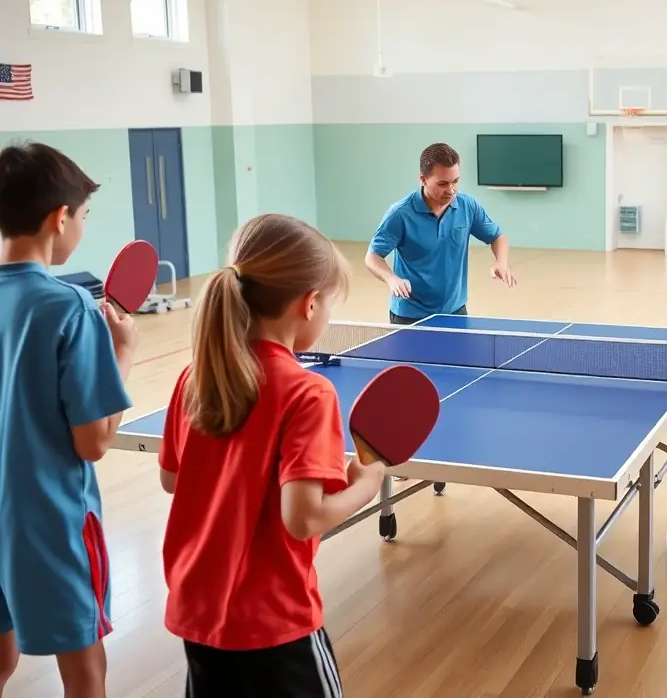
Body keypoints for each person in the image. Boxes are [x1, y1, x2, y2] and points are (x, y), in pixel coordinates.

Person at [156, 213, 388, 697]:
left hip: (197, 613)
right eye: (329, 305)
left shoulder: (194, 377)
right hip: (274, 621)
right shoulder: (308, 393)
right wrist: (365, 485)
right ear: (308, 305)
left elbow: (173, 480)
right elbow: (303, 519)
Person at [0, 142, 138, 697]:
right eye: (83, 217)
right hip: (51, 522)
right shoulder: (68, 306)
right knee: (85, 673)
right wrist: (122, 349)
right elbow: (94, 441)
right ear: (61, 218)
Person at [365, 142, 516, 325]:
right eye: (443, 183)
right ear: (423, 179)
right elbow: (372, 257)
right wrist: (391, 279)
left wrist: (501, 263)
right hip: (410, 314)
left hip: (456, 310)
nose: (451, 190)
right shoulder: (400, 214)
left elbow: (497, 237)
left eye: (455, 181)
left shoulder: (467, 206)